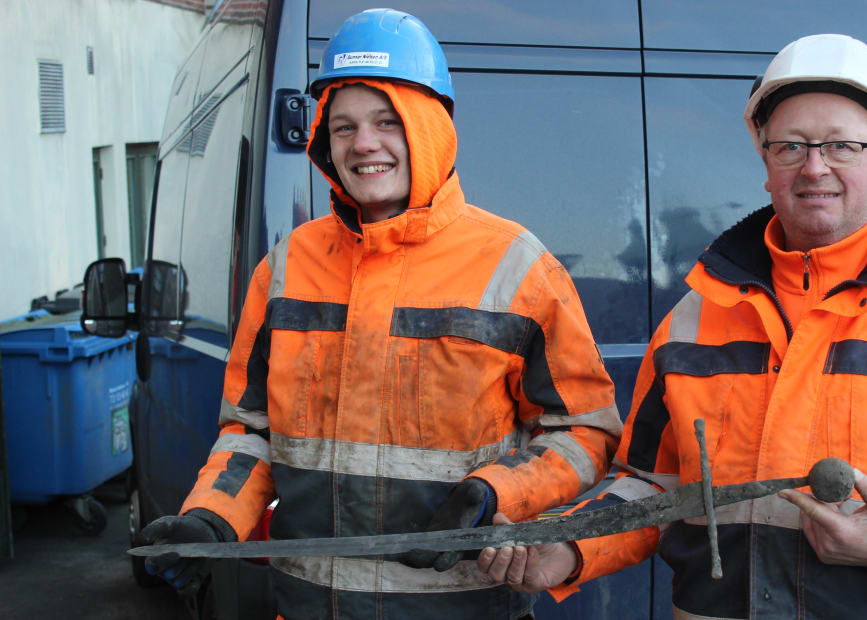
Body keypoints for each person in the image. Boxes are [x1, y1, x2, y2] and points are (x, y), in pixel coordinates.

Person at [479, 33, 867, 618]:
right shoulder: (693, 320)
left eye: (840, 146)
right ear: (765, 161)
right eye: (790, 146)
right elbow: (651, 485)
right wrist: (568, 547)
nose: (813, 167)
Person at [139, 9, 621, 620]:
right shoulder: (286, 269)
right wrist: (211, 518)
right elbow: (251, 431)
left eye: (386, 121)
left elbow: (585, 432)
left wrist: (494, 491)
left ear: (430, 128)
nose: (363, 144)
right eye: (343, 127)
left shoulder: (517, 268)